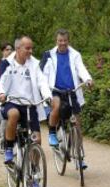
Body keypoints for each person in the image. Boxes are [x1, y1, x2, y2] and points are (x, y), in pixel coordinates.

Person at [0, 36, 52, 175]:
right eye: (27, 48)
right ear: (18, 49)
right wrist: (1, 94)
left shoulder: (34, 64)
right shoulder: (7, 63)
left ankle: (34, 171)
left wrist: (47, 96)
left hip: (29, 106)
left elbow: (42, 81)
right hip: (11, 101)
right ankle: (8, 148)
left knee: (36, 140)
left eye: (32, 48)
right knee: (13, 114)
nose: (30, 51)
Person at [40, 29, 93, 169]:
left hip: (71, 92)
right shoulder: (48, 55)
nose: (62, 43)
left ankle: (79, 157)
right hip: (55, 90)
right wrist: (44, 91)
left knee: (77, 125)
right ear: (56, 41)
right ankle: (52, 132)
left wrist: (87, 79)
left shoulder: (75, 54)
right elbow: (42, 74)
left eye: (65, 41)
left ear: (68, 41)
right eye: (60, 41)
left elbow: (81, 68)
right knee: (56, 107)